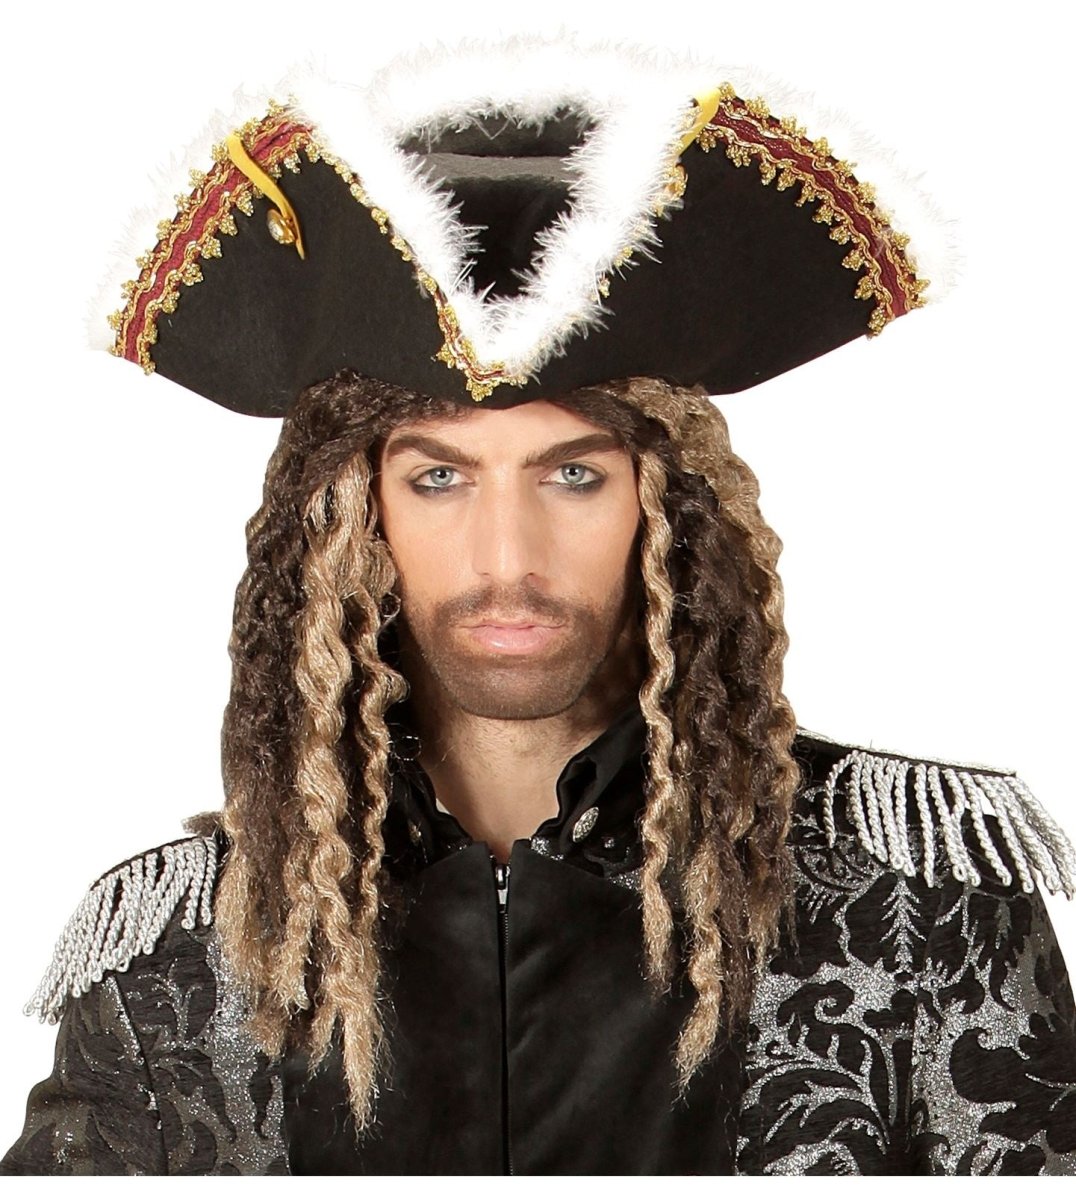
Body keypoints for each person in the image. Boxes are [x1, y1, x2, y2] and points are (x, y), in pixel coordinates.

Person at [3, 35, 1075, 1175]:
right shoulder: (178, 957)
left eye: (572, 474)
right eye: (438, 477)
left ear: (669, 507)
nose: (506, 556)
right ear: (351, 515)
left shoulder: (919, 904)